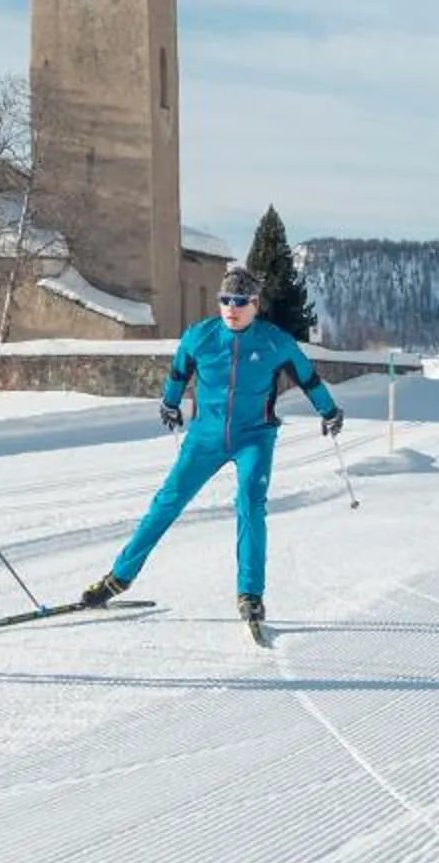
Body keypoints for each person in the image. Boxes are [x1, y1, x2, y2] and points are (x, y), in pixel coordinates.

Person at [79, 264, 341, 632]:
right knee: (166, 502)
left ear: (255, 304)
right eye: (225, 300)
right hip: (206, 436)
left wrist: (329, 411)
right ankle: (119, 578)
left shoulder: (275, 342)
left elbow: (309, 378)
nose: (231, 308)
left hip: (255, 436)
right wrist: (170, 403)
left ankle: (250, 594)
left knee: (250, 502)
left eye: (240, 301)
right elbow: (178, 373)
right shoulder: (199, 337)